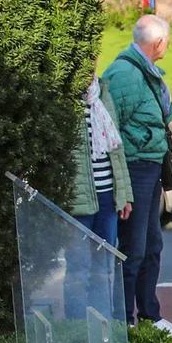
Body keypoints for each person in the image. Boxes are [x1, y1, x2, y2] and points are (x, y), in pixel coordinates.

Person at [103, 15, 172, 339]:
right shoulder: (125, 74)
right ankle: (126, 320)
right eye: (167, 40)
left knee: (151, 245)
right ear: (158, 43)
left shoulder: (142, 71)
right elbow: (113, 127)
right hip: (137, 168)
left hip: (148, 168)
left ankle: (150, 316)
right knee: (134, 248)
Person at [62, 61, 133, 322]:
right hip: (78, 203)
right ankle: (77, 328)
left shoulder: (102, 93)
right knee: (78, 269)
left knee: (104, 268)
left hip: (107, 198)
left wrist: (124, 195)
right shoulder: (64, 99)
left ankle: (103, 328)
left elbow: (117, 149)